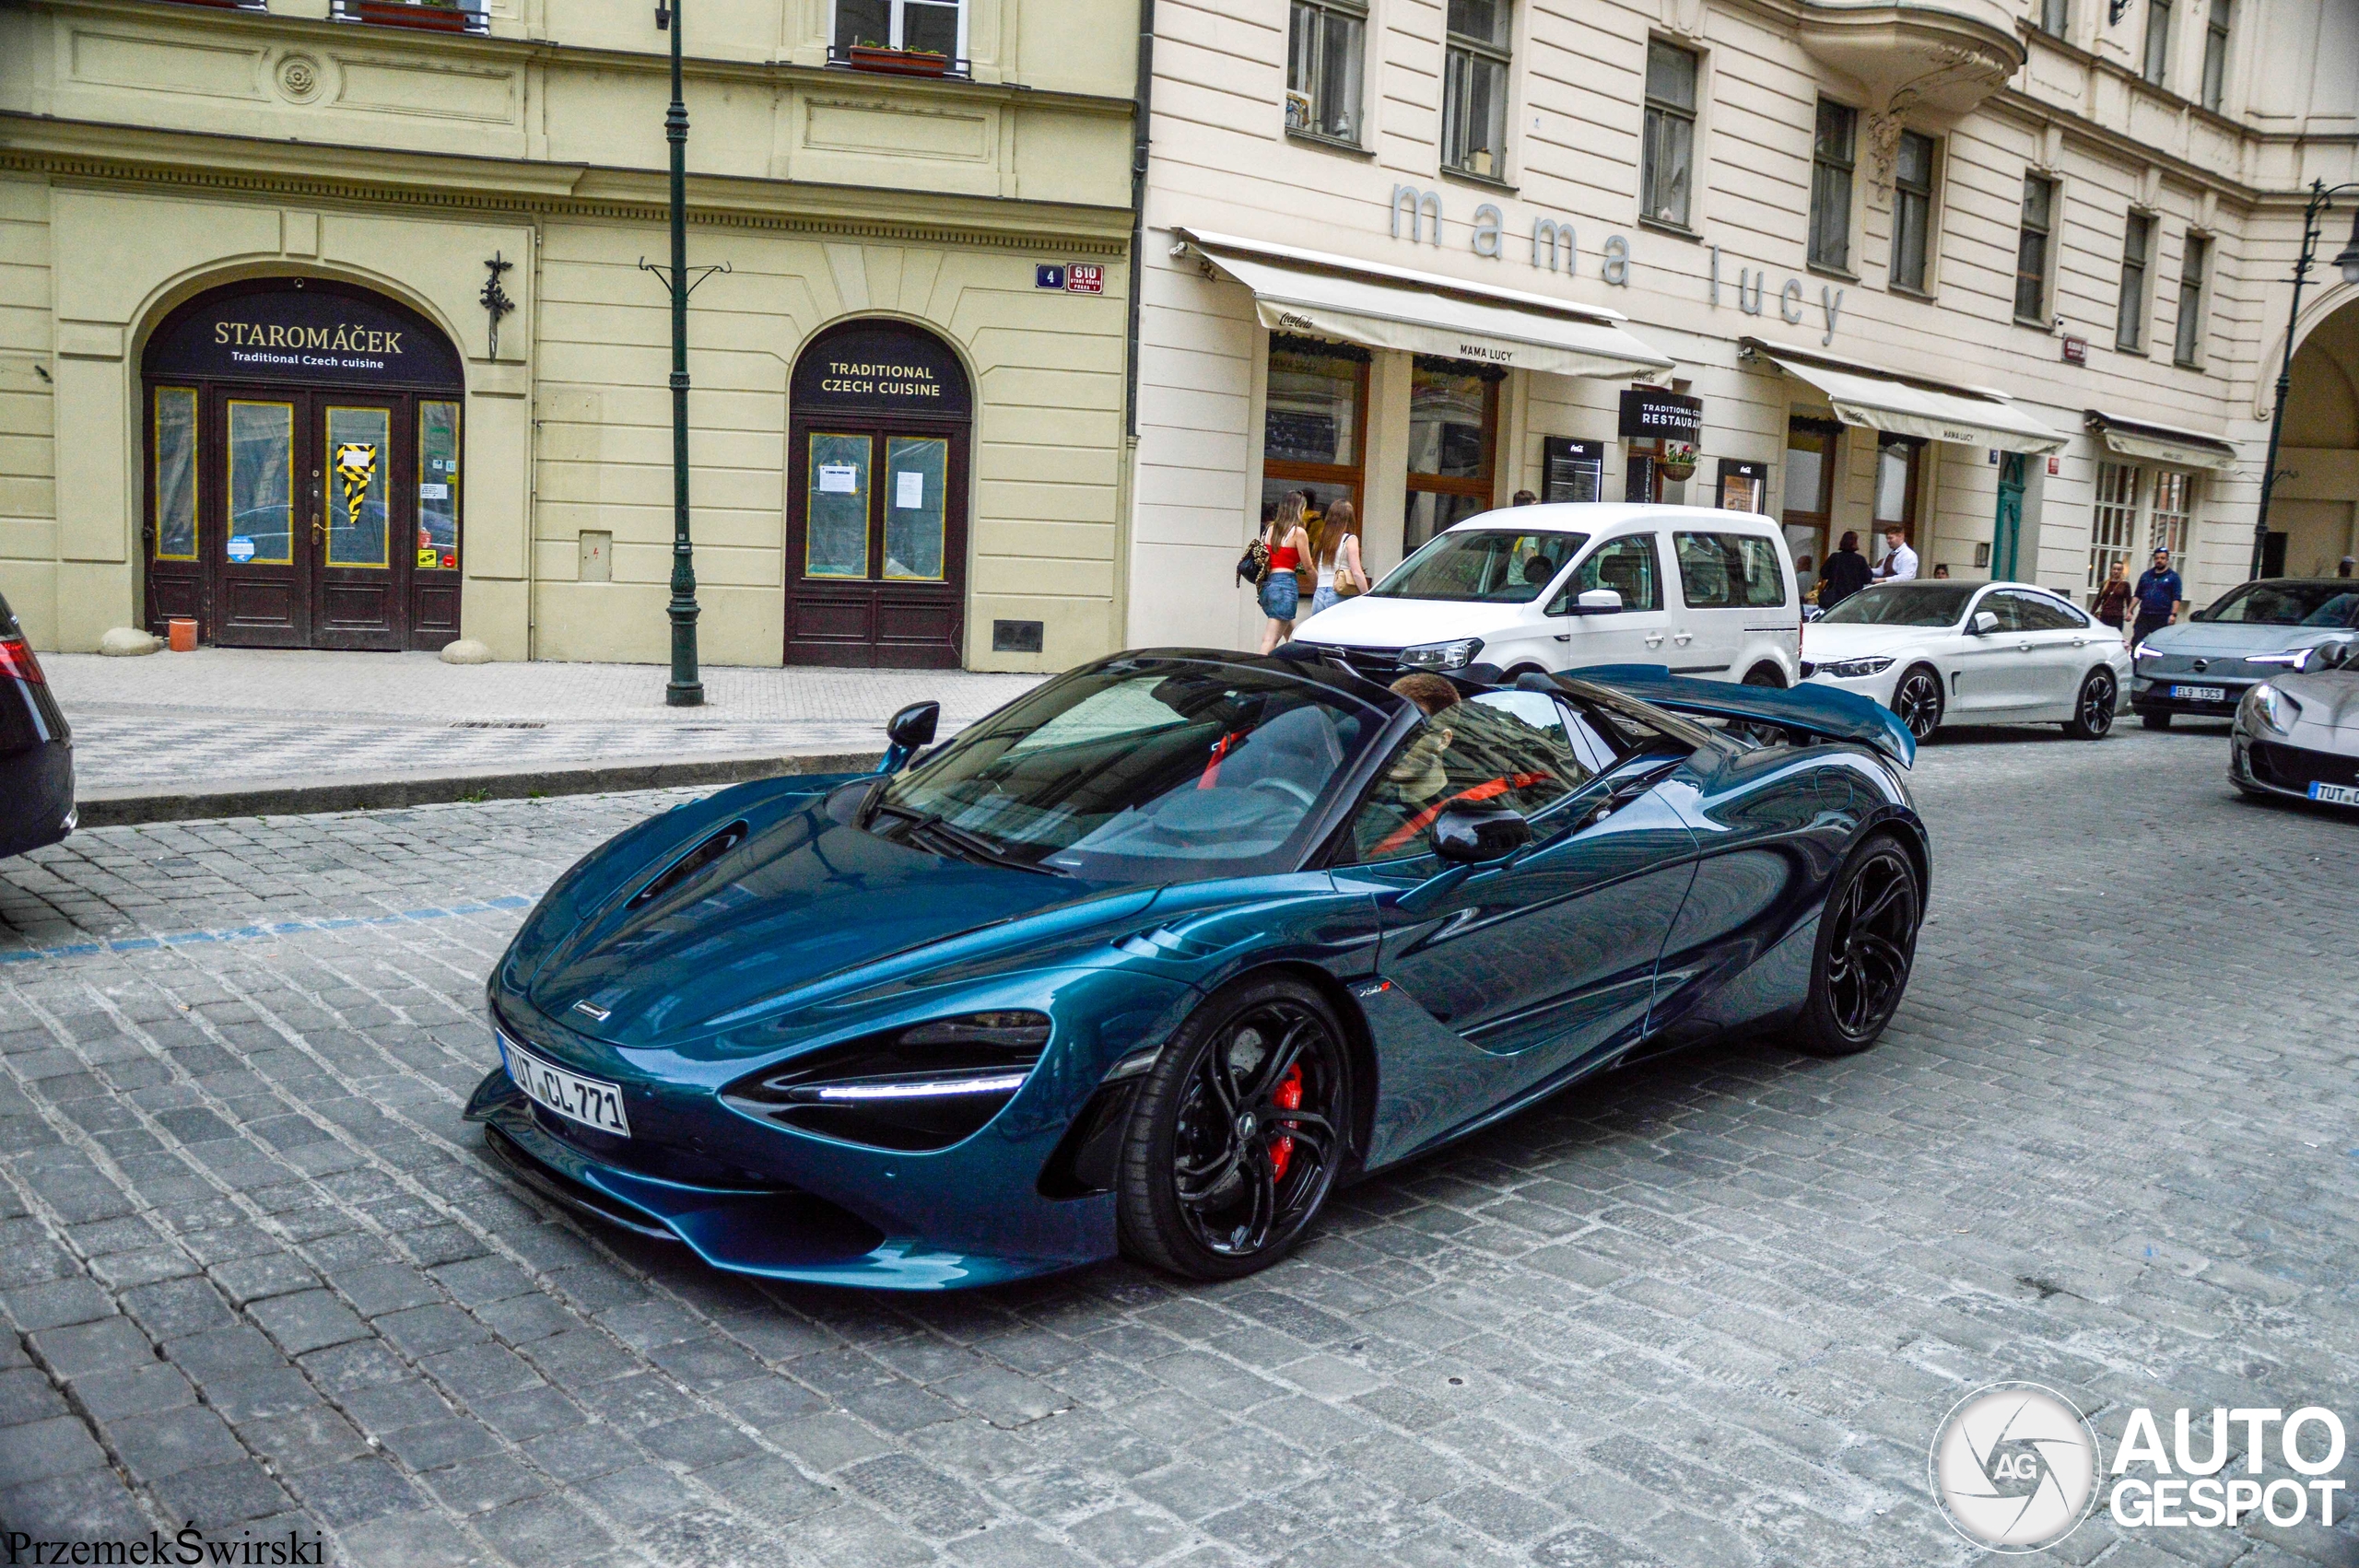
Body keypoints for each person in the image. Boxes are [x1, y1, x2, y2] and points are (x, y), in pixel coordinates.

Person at [1255, 492, 1312, 654]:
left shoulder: (1269, 530)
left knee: (1293, 638)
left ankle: (1298, 670)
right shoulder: (1298, 532)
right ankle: (1259, 672)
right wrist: (1318, 584)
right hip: (1284, 586)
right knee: (1269, 640)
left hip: (1267, 586)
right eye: (1303, 509)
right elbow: (1308, 566)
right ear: (1298, 509)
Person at [1307, 499, 1365, 620]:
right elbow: (1357, 573)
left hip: (1319, 594)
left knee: (1318, 636)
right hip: (1339, 594)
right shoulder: (1350, 539)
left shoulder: (1322, 538)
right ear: (1349, 519)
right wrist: (1367, 595)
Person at [2130, 548, 2185, 649]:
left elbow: (2176, 597)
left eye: (2162, 558)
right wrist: (2130, 610)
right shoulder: (2146, 576)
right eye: (2157, 558)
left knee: (2160, 644)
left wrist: (2173, 614)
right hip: (2145, 615)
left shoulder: (2173, 577)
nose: (2159, 560)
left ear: (2167, 560)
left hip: (2162, 616)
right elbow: (2137, 595)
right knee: (2137, 642)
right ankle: (2136, 663)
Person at [1819, 531, 1872, 609]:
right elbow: (1867, 578)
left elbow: (1823, 573)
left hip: (1835, 597)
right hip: (1853, 597)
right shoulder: (1860, 560)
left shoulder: (1835, 557)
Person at [2093, 560, 2134, 632]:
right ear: (2111, 570)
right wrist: (2091, 613)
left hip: (2117, 616)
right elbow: (2098, 600)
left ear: (2122, 571)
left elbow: (2128, 600)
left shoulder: (2125, 584)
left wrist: (2129, 612)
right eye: (2114, 569)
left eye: (2118, 569)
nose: (2116, 571)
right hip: (2105, 615)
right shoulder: (2105, 583)